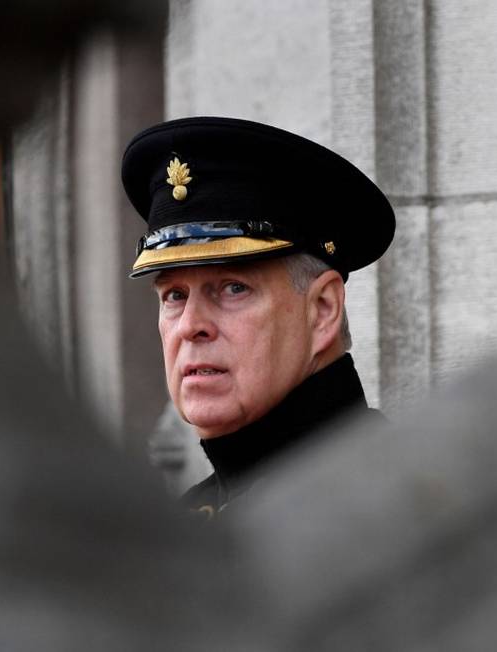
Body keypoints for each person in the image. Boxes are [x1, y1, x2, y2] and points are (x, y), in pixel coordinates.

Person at [121, 116, 395, 518]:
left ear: (323, 309)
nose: (190, 325)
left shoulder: (385, 495)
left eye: (234, 288)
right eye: (175, 295)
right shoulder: (193, 517)